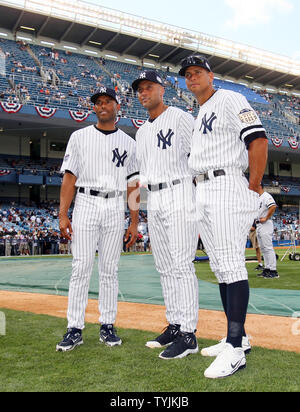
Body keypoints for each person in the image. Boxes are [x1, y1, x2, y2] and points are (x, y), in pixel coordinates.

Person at [179, 55, 268, 378]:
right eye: (187, 74)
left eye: (198, 72)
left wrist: (254, 185)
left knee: (231, 263)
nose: (192, 78)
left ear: (211, 75)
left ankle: (234, 348)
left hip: (227, 183)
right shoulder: (201, 110)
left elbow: (257, 139)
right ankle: (238, 337)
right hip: (203, 186)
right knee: (219, 266)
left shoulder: (230, 98)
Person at [56, 87, 140, 352]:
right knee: (80, 267)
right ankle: (74, 328)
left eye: (108, 101)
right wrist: (63, 213)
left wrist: (135, 221)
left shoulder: (129, 142)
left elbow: (134, 185)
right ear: (93, 108)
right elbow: (69, 177)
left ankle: (107, 324)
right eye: (98, 102)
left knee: (109, 270)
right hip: (87, 202)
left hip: (115, 204)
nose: (102, 105)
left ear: (117, 107)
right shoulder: (79, 136)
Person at [131, 70, 199, 360]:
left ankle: (189, 333)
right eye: (140, 89)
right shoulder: (141, 130)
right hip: (154, 197)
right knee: (164, 265)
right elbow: (140, 174)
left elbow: (198, 155)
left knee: (182, 264)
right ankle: (175, 323)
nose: (143, 93)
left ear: (162, 89)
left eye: (149, 87)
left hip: (180, 189)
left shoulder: (181, 117)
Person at [256, 184, 279, 278]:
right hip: (259, 224)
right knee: (263, 248)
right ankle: (267, 268)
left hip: (266, 224)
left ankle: (273, 271)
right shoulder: (258, 198)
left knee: (268, 247)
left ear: (260, 186)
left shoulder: (266, 196)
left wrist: (266, 217)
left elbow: (273, 206)